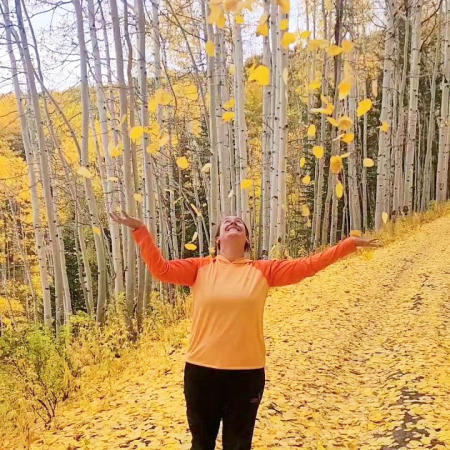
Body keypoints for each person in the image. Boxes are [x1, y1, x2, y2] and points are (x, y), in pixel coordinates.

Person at [110, 211, 381, 450]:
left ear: (247, 240)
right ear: (218, 240)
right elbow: (161, 270)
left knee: (239, 446)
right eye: (227, 222)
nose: (233, 223)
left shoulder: (263, 271)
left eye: (239, 223)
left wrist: (347, 245)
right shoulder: (200, 268)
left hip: (246, 375)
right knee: (201, 444)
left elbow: (307, 266)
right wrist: (140, 230)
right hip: (201, 372)